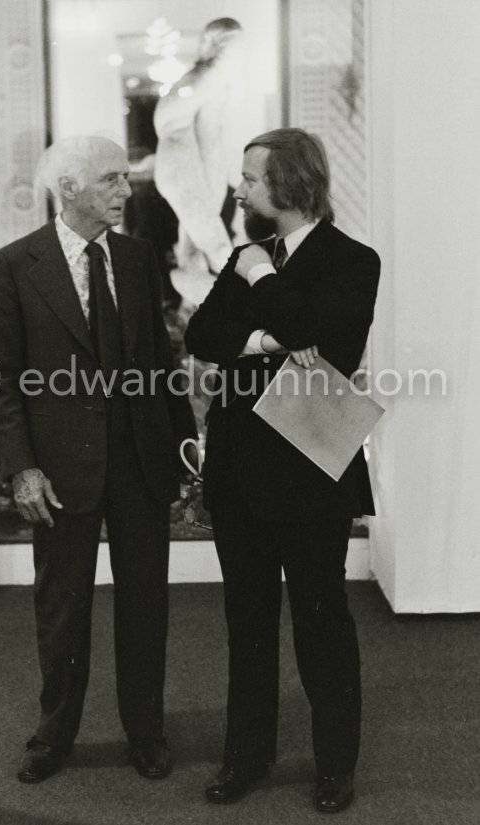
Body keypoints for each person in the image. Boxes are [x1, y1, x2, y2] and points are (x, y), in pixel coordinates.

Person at [0, 135, 197, 783]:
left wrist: (185, 447)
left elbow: (162, 363)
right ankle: (55, 733)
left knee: (145, 603)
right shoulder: (14, 265)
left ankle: (146, 730)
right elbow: (2, 377)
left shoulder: (134, 258)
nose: (124, 191)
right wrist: (20, 466)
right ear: (68, 188)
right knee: (63, 606)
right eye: (110, 180)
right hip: (56, 469)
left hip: (139, 461)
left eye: (123, 179)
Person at [185, 128, 380, 812]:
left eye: (250, 177)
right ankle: (247, 758)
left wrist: (264, 288)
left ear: (290, 185)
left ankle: (335, 766)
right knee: (247, 620)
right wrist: (272, 337)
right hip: (239, 471)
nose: (239, 188)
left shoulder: (353, 260)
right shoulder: (243, 254)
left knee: (322, 620)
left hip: (310, 470)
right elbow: (201, 336)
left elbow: (331, 342)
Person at [153, 17, 243, 305]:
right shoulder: (204, 81)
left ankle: (220, 50)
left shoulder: (201, 258)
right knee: (210, 240)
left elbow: (210, 128)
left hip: (180, 145)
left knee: (204, 241)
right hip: (177, 146)